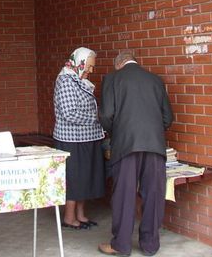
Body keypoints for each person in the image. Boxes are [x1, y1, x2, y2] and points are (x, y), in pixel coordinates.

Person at [98, 50, 173, 256]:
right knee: (154, 194)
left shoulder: (112, 79)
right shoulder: (155, 80)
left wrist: (116, 133)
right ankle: (150, 245)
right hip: (155, 146)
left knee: (124, 194)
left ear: (119, 64)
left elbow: (105, 114)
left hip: (126, 145)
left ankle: (121, 245)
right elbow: (168, 116)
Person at [53, 47, 106, 229]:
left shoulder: (80, 81)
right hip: (72, 140)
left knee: (85, 177)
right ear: (80, 62)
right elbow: (69, 113)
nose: (91, 70)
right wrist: (95, 118)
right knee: (75, 178)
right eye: (89, 66)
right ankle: (69, 217)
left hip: (87, 138)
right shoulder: (66, 80)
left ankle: (81, 215)